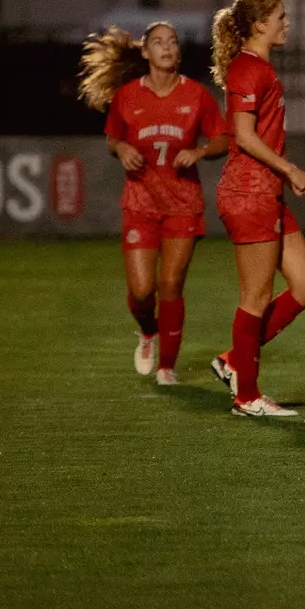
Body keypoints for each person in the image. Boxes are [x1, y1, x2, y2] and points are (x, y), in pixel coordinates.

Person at [77, 22, 228, 386]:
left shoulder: (196, 96)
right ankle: (148, 332)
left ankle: (167, 368)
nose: (166, 48)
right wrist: (123, 147)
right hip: (141, 202)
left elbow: (223, 140)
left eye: (172, 42)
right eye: (157, 43)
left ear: (178, 51)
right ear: (145, 52)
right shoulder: (128, 96)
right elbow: (113, 139)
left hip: (183, 202)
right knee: (143, 292)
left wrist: (200, 151)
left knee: (171, 284)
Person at [208, 0, 305, 418]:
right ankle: (246, 396)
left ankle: (234, 361)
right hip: (249, 192)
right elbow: (242, 134)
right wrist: (291, 170)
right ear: (259, 25)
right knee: (255, 297)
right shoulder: (247, 69)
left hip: (266, 192)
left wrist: (284, 175)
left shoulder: (260, 69)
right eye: (280, 16)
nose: (286, 23)